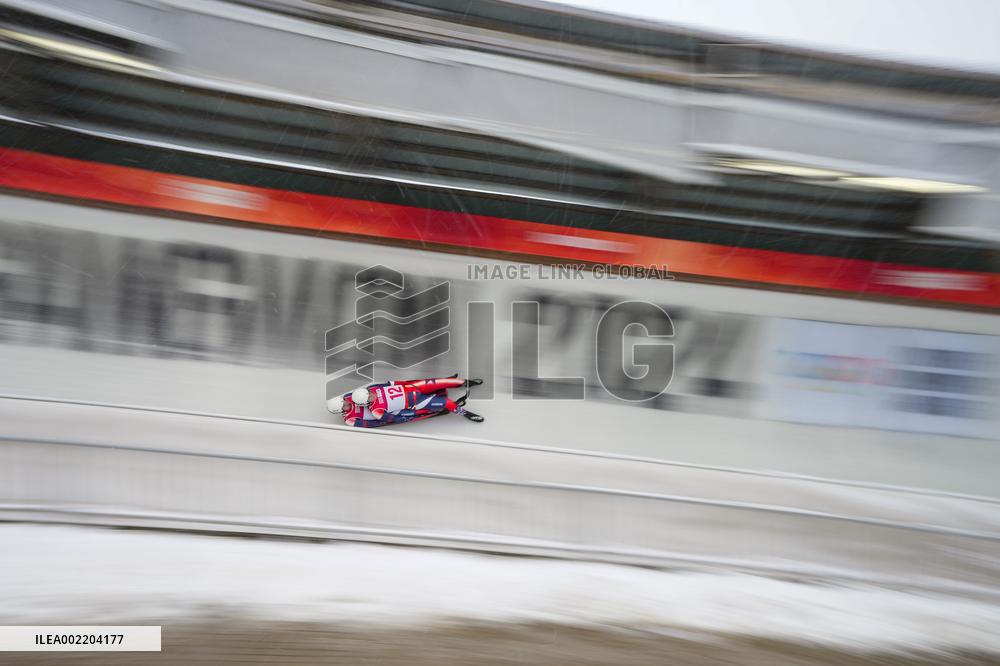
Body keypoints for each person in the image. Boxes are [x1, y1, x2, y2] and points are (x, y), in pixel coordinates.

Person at [327, 377, 484, 427]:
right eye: (344, 406)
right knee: (447, 403)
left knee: (444, 381)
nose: (347, 404)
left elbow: (389, 384)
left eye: (344, 401)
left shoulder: (361, 393)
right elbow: (384, 421)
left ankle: (466, 382)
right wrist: (409, 416)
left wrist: (409, 382)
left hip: (413, 388)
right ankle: (465, 413)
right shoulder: (375, 411)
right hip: (416, 402)